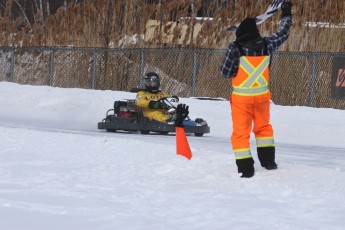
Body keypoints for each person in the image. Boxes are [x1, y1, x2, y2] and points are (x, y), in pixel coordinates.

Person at [220, 2, 293, 178]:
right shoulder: (267, 44)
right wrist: (286, 15)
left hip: (241, 100)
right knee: (264, 129)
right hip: (262, 98)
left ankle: (246, 169)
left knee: (240, 134)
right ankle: (268, 163)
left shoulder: (235, 48)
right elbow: (283, 34)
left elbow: (225, 72)